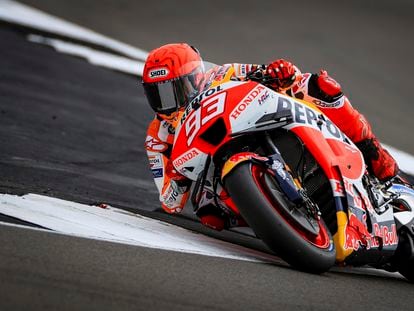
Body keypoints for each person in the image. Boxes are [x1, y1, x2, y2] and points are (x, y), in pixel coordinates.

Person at [142, 43, 399, 230]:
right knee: (210, 215)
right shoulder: (158, 136)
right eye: (157, 95)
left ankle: (379, 161)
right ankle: (279, 219)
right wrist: (177, 172)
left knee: (318, 86)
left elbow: (281, 74)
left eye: (173, 91)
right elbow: (170, 203)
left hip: (253, 126)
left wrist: (279, 71)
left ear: (196, 78)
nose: (168, 104)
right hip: (217, 176)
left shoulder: (224, 74)